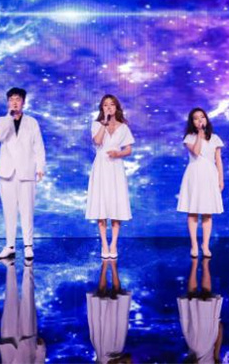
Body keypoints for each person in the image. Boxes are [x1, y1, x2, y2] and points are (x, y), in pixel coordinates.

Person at [0, 87, 46, 260]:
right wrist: (9, 117)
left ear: (23, 102)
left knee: (27, 210)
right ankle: (10, 246)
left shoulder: (32, 122)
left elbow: (38, 145)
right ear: (8, 102)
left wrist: (40, 167)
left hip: (26, 171)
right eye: (11, 99)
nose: (14, 102)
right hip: (7, 173)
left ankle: (28, 246)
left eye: (18, 99)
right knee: (9, 211)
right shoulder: (2, 120)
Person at [86, 94, 135, 259]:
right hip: (101, 166)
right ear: (102, 108)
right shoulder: (96, 124)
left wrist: (118, 153)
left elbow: (129, 149)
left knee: (116, 205)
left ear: (116, 107)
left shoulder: (124, 127)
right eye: (105, 105)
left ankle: (113, 243)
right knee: (101, 204)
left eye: (112, 104)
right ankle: (104, 244)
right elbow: (97, 141)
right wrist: (104, 123)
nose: (109, 107)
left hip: (116, 168)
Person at [177, 108, 224, 259]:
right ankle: (194, 245)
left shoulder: (215, 138)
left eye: (202, 117)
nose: (200, 120)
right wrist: (199, 134)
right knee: (193, 212)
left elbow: (218, 160)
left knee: (207, 212)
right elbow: (196, 152)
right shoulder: (189, 138)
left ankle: (206, 245)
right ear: (192, 122)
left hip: (210, 175)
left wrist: (221, 179)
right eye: (196, 118)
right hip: (194, 175)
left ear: (206, 119)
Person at [0, 258, 46, 363]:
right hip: (28, 346)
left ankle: (10, 266)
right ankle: (28, 266)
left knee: (10, 300)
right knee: (28, 301)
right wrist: (41, 350)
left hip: (8, 344)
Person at [177, 257, 224, 364]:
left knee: (194, 297)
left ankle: (196, 263)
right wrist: (216, 355)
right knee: (204, 295)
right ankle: (202, 264)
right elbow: (220, 330)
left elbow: (190, 359)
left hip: (198, 341)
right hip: (206, 338)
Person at [86, 259, 132, 364]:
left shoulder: (101, 358)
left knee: (101, 299)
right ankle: (113, 265)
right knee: (118, 299)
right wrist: (120, 360)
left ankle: (105, 265)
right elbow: (129, 357)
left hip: (102, 344)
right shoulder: (118, 352)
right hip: (117, 343)